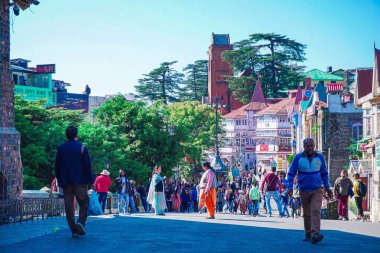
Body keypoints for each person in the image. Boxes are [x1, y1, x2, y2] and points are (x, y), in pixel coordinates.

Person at [287, 138, 333, 244]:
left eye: (312, 146)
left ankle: (315, 233)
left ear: (314, 146)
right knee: (307, 213)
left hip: (317, 189)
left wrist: (327, 187)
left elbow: (324, 174)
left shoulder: (320, 157)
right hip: (303, 189)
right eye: (308, 146)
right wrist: (289, 187)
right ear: (304, 146)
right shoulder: (298, 157)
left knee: (316, 210)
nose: (310, 148)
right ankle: (308, 233)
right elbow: (291, 173)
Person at [54, 126, 94, 238]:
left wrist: (59, 180)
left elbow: (57, 166)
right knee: (84, 203)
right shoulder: (81, 147)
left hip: (66, 183)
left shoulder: (61, 148)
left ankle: (74, 230)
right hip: (80, 182)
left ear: (66, 135)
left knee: (69, 207)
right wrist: (92, 181)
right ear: (76, 135)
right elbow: (87, 166)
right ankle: (80, 223)